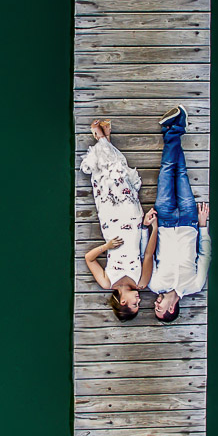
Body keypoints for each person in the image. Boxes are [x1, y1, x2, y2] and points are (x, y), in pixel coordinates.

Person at [80, 118, 159, 320]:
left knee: (102, 183)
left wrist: (106, 247)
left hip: (110, 227)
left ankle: (104, 139)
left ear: (123, 302)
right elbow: (148, 254)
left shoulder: (107, 282)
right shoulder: (141, 283)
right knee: (120, 179)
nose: (139, 300)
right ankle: (102, 138)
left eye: (135, 304)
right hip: (132, 223)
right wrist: (153, 228)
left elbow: (89, 258)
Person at [144, 106, 211, 322]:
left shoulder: (155, 285)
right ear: (171, 309)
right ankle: (173, 129)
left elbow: (147, 254)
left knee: (166, 170)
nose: (155, 304)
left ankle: (174, 129)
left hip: (164, 221)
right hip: (190, 221)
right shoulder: (195, 285)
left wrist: (147, 227)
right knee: (181, 172)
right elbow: (205, 255)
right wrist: (203, 225)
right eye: (159, 308)